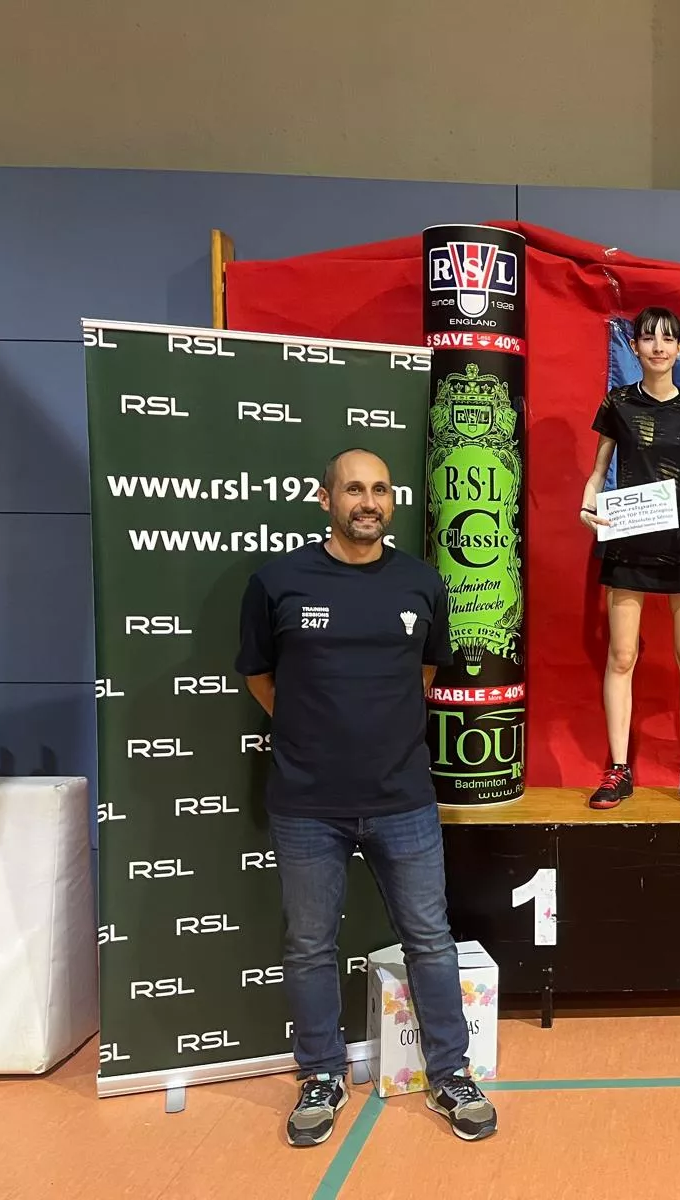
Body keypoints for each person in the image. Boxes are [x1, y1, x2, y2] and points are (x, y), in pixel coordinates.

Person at [236, 448, 497, 1146]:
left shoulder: (421, 583)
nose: (369, 501)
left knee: (431, 941)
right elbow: (262, 680)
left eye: (380, 489)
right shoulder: (277, 581)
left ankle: (450, 1075)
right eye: (354, 488)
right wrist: (314, 729)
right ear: (326, 498)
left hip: (402, 797)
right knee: (310, 947)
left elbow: (425, 673)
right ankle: (320, 1075)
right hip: (306, 802)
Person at [579, 307, 680, 809]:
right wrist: (587, 503)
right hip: (629, 540)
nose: (659, 347)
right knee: (622, 657)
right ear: (636, 347)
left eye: (668, 339)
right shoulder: (618, 403)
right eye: (649, 338)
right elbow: (600, 470)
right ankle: (619, 769)